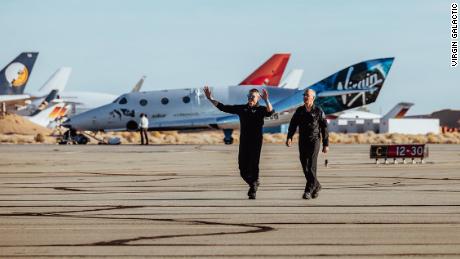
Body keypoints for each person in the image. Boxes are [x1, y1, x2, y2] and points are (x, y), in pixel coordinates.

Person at [204, 86, 274, 199]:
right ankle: (253, 183)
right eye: (249, 96)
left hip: (256, 141)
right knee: (242, 168)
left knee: (254, 164)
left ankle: (253, 187)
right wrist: (210, 98)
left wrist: (266, 100)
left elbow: (270, 112)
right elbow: (223, 108)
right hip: (244, 141)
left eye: (253, 96)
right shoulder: (242, 108)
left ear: (258, 98)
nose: (250, 98)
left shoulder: (261, 110)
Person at [286, 89, 329, 199]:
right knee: (304, 165)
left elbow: (324, 128)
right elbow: (293, 124)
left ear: (313, 98)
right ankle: (317, 185)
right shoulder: (299, 110)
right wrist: (289, 137)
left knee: (311, 166)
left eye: (307, 95)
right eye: (304, 95)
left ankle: (308, 190)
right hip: (302, 140)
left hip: (314, 141)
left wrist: (325, 144)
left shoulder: (318, 111)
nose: (305, 97)